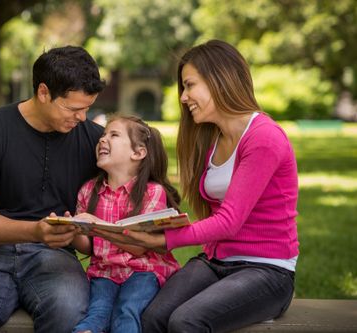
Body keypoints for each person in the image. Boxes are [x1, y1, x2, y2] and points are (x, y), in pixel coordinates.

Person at [93, 40, 299, 332]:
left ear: (219, 79)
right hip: (216, 261)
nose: (183, 97)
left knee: (185, 321)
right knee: (152, 317)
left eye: (190, 85)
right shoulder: (211, 138)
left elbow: (228, 222)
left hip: (267, 271)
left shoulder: (264, 137)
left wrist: (164, 241)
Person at [0, 46, 106, 333]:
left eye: (88, 108)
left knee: (69, 314)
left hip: (55, 255)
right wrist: (35, 231)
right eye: (74, 108)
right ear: (43, 92)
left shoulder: (95, 141)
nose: (82, 118)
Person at [70, 115, 181, 333]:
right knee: (96, 314)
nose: (102, 140)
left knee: (126, 311)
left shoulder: (152, 192)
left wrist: (96, 224)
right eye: (103, 134)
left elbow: (140, 246)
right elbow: (88, 246)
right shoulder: (88, 191)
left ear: (138, 153)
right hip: (104, 273)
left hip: (144, 272)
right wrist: (73, 230)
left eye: (113, 134)